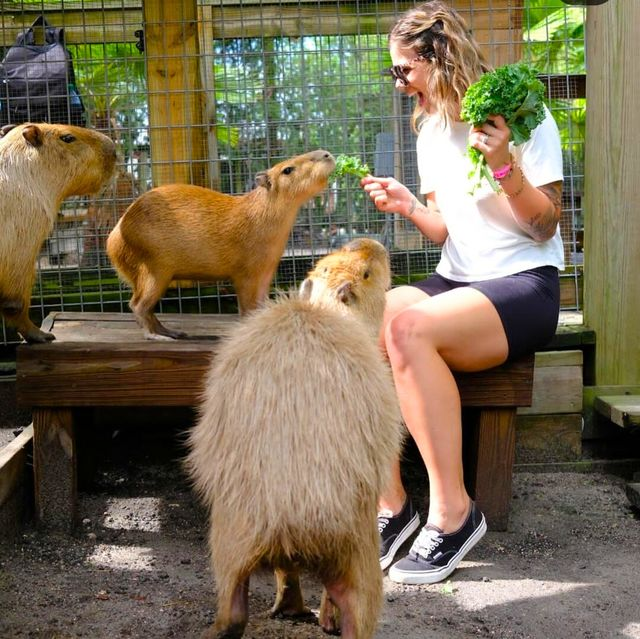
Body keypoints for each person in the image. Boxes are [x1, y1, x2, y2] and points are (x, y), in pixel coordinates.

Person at [362, 0, 564, 586]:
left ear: (439, 56)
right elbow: (447, 228)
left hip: (523, 285)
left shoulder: (523, 116)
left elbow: (545, 224)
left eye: (404, 70)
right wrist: (408, 206)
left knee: (407, 327)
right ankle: (393, 507)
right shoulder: (428, 127)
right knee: (366, 323)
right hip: (458, 279)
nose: (399, 84)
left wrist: (505, 166)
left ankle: (454, 513)